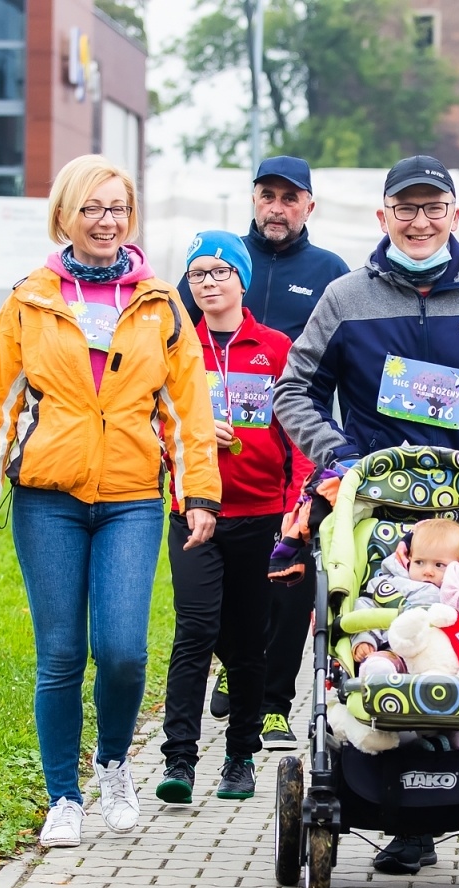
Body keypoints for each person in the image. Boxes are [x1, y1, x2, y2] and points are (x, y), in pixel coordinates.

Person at [272, 154, 459, 875]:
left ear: (456, 217)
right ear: (382, 217)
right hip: (372, 509)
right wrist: (337, 457)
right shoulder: (345, 297)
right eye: (405, 209)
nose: (419, 222)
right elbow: (293, 390)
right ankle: (386, 792)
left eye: (433, 209)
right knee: (376, 632)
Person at [0, 155, 221, 849]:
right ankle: (62, 797)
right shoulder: (30, 300)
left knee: (124, 650)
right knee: (62, 653)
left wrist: (198, 493)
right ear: (65, 215)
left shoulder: (159, 305)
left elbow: (187, 411)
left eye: (117, 209)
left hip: (132, 498)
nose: (107, 222)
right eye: (93, 208)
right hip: (48, 501)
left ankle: (111, 766)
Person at [178, 156, 347, 751]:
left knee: (291, 577)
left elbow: (343, 351)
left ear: (308, 205)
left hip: (296, 440)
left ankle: (275, 702)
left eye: (289, 197)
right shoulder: (215, 261)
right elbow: (174, 349)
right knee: (226, 597)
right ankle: (240, 665)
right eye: (266, 195)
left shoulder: (329, 271)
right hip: (215, 461)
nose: (276, 207)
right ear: (254, 199)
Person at [155, 231, 306, 806]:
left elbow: (297, 436)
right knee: (194, 632)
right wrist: (186, 436)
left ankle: (239, 756)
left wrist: (296, 508)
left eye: (221, 272)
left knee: (246, 644)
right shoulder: (176, 347)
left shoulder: (276, 348)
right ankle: (178, 761)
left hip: (262, 514)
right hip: (193, 512)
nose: (209, 283)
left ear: (242, 279)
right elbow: (152, 426)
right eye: (198, 274)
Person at [350, 518, 459, 673]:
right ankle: (380, 673)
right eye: (419, 562)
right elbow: (365, 608)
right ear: (408, 557)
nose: (427, 571)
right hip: (401, 650)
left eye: (439, 565)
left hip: (453, 656)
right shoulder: (392, 583)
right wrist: (364, 639)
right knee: (383, 659)